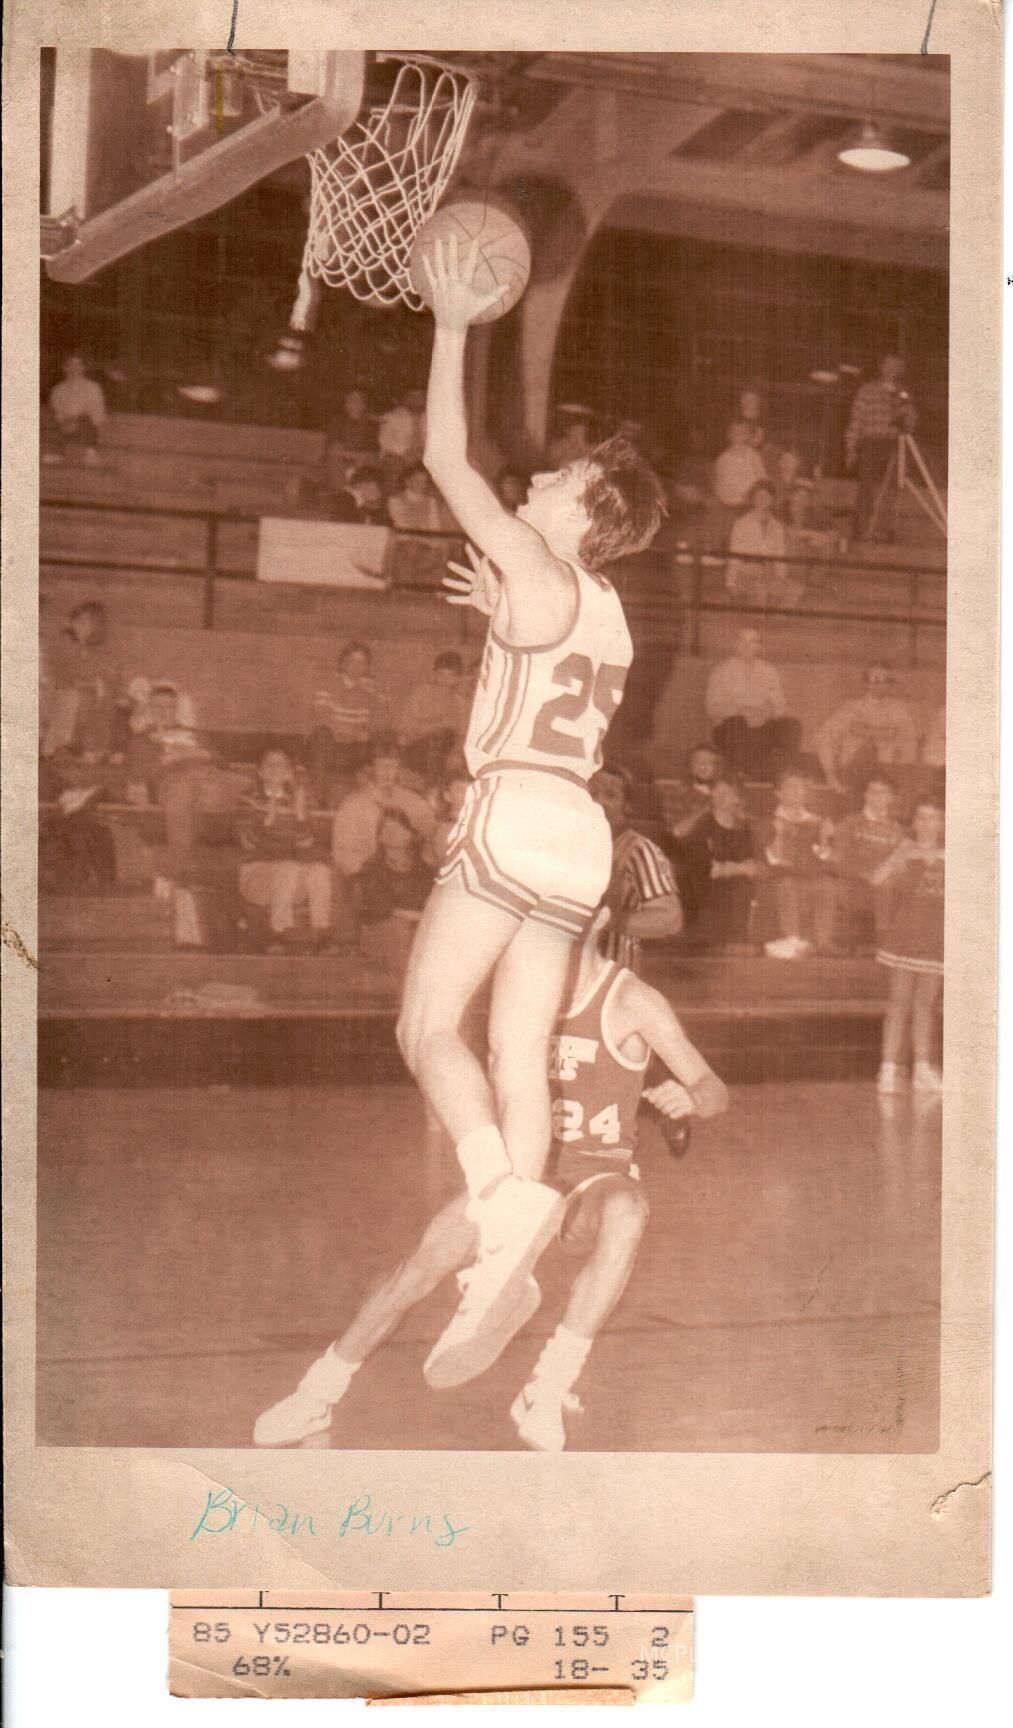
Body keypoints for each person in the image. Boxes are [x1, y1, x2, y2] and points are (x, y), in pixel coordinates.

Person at [395, 234, 666, 1389]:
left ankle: (500, 1204)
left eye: (557, 481)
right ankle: (512, 1242)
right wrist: (500, 613)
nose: (535, 482)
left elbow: (443, 459)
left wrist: (455, 323)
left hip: (510, 811)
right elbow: (540, 643)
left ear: (585, 509)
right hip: (578, 836)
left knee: (425, 1030)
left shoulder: (534, 562)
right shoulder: (606, 608)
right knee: (519, 1052)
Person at [253, 905, 728, 1452]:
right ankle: (317, 1393)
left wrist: (691, 1098)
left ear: (598, 920)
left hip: (595, 1179)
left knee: (627, 1212)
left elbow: (714, 1088)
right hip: (522, 1170)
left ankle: (548, 1388)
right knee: (419, 1267)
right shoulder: (516, 990)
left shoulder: (631, 999)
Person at [871, 796, 944, 1094]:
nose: (926, 823)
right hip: (906, 934)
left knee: (926, 1005)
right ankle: (887, 1070)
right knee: (898, 1003)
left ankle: (921, 1070)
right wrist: (897, 856)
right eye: (921, 817)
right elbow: (876, 880)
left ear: (942, 822)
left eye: (933, 817)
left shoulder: (953, 855)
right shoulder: (905, 852)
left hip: (937, 936)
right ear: (913, 822)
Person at [236, 750, 333, 953]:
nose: (275, 769)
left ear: (289, 772)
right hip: (255, 877)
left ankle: (320, 934)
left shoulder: (298, 800)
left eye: (281, 764)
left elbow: (307, 844)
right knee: (289, 867)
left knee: (320, 871)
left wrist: (300, 817)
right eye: (269, 764)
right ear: (260, 772)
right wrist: (266, 824)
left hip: (290, 879)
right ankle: (277, 933)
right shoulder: (249, 799)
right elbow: (247, 843)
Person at [590, 765, 683, 972]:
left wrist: (601, 919)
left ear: (628, 807)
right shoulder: (568, 846)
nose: (599, 802)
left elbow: (670, 919)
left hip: (610, 975)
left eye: (610, 795)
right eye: (592, 793)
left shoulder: (638, 850)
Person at [331, 732, 436, 882]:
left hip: (407, 876)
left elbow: (432, 834)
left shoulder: (413, 801)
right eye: (381, 765)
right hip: (368, 878)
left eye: (392, 766)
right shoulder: (352, 805)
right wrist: (365, 874)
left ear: (400, 769)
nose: (387, 771)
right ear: (371, 768)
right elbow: (341, 853)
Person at [704, 627, 802, 782]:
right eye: (742, 640)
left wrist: (767, 713)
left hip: (762, 725)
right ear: (735, 644)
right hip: (732, 726)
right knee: (737, 724)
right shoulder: (721, 671)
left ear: (759, 647)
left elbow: (781, 705)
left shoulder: (769, 671)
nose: (746, 646)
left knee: (791, 725)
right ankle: (740, 774)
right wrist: (741, 711)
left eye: (752, 642)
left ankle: (783, 775)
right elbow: (712, 708)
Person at [822, 774, 905, 953]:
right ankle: (883, 942)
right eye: (872, 792)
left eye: (882, 792)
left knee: (891, 883)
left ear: (891, 798)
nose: (876, 797)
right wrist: (863, 873)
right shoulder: (851, 823)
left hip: (887, 882)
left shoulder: (898, 829)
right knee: (883, 885)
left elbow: (901, 861)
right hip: (855, 881)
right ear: (865, 795)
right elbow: (838, 859)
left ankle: (892, 943)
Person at [758, 768, 836, 958]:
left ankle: (824, 943)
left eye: (800, 786)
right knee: (788, 885)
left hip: (810, 876)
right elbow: (773, 860)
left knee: (827, 884)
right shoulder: (768, 822)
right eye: (790, 786)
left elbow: (824, 858)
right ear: (779, 793)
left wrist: (825, 838)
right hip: (779, 877)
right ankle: (792, 942)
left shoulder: (816, 822)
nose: (796, 791)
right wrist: (778, 835)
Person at [303, 642, 391, 807]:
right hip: (331, 745)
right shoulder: (327, 684)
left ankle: (383, 800)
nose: (357, 667)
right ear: (343, 663)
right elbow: (322, 718)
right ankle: (320, 800)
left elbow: (382, 722)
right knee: (321, 735)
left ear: (367, 667)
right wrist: (354, 732)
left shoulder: (372, 689)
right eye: (352, 661)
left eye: (362, 662)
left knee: (385, 740)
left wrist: (377, 695)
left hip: (357, 747)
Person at [353, 808, 435, 984]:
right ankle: (409, 989)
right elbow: (378, 909)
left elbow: (430, 903)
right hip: (379, 932)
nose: (389, 833)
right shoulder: (372, 869)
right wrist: (409, 915)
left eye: (395, 828)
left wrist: (419, 918)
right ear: (379, 837)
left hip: (415, 929)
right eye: (384, 829)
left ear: (409, 835)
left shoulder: (423, 870)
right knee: (399, 928)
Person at [683, 773, 760, 953]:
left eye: (727, 792)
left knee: (743, 886)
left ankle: (736, 942)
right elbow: (707, 867)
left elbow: (750, 865)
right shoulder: (703, 825)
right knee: (722, 888)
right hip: (704, 881)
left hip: (735, 880)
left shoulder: (742, 827)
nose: (720, 797)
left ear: (737, 798)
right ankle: (715, 943)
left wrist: (730, 868)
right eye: (717, 792)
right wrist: (737, 868)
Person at [816, 664, 918, 797]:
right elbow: (824, 737)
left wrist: (903, 777)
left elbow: (910, 745)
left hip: (887, 774)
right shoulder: (851, 708)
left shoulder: (899, 711)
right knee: (868, 749)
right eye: (875, 680)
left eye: (886, 680)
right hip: (854, 774)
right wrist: (830, 773)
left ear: (890, 685)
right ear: (866, 684)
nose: (880, 685)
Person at [845, 354, 917, 543]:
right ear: (881, 367)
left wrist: (907, 414)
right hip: (870, 443)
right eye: (888, 364)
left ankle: (884, 533)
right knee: (867, 488)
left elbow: (910, 424)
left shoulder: (902, 393)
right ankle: (860, 533)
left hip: (893, 446)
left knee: (891, 490)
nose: (892, 369)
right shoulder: (867, 390)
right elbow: (856, 420)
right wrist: (851, 448)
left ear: (901, 369)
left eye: (896, 365)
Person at [725, 480, 803, 609]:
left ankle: (776, 618)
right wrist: (730, 583)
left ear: (771, 499)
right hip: (745, 574)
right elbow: (734, 556)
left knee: (796, 589)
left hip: (768, 573)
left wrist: (781, 578)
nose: (761, 500)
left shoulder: (777, 526)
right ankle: (756, 613)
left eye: (765, 496)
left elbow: (780, 557)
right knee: (760, 591)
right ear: (753, 499)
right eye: (758, 496)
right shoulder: (741, 523)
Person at [398, 650, 470, 780]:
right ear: (434, 675)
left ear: (458, 678)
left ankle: (435, 785)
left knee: (446, 742)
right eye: (440, 674)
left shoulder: (460, 703)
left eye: (450, 676)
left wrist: (456, 754)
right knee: (439, 738)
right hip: (415, 749)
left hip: (446, 753)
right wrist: (435, 726)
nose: (444, 680)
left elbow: (463, 736)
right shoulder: (421, 693)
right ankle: (432, 786)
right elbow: (405, 729)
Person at [43, 354, 107, 464]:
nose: (74, 369)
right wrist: (65, 422)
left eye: (78, 365)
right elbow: (57, 411)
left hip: (87, 427)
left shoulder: (93, 387)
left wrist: (76, 421)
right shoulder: (58, 390)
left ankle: (90, 453)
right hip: (65, 426)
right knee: (57, 423)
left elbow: (97, 411)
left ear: (84, 368)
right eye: (70, 365)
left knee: (85, 418)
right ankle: (58, 453)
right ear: (64, 368)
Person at [712, 421, 767, 514]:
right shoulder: (723, 460)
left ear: (748, 436)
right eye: (735, 432)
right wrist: (742, 499)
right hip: (732, 505)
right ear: (729, 435)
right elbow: (722, 488)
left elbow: (763, 479)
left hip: (754, 504)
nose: (738, 435)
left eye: (743, 432)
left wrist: (756, 497)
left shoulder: (754, 456)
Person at [388, 463, 445, 533]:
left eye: (424, 481)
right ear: (407, 481)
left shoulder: (431, 501)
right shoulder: (395, 500)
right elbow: (400, 524)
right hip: (405, 536)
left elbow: (435, 526)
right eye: (417, 480)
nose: (422, 484)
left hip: (427, 536)